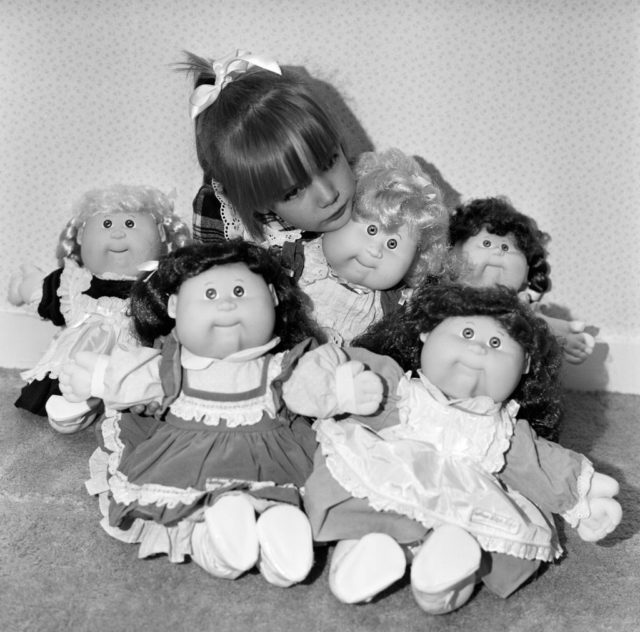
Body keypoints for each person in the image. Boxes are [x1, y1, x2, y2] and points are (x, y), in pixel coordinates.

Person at [282, 283, 621, 613]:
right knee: (362, 495)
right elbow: (339, 367)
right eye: (467, 333)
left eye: (496, 342)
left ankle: (448, 573)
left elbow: (541, 464)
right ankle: (369, 554)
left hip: (470, 501)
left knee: (500, 540)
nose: (479, 350)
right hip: (393, 474)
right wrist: (340, 387)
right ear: (427, 332)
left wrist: (585, 498)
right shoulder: (399, 390)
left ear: (526, 365)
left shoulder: (503, 433)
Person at [57, 240, 375, 586]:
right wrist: (98, 376)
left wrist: (342, 390)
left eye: (240, 291)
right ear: (175, 306)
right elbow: (135, 379)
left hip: (272, 457)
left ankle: (281, 542)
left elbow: (306, 392)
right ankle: (220, 542)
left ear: (272, 297)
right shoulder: (172, 365)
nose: (226, 302)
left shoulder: (280, 367)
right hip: (188, 461)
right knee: (195, 516)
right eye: (209, 294)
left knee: (285, 497)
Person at [8, 184, 190, 433]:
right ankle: (72, 406)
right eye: (106, 225)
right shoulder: (75, 282)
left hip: (127, 363)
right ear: (82, 236)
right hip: (75, 359)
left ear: (160, 233)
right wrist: (27, 287)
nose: (117, 234)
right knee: (66, 379)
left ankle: (112, 405)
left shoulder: (156, 284)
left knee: (137, 387)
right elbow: (48, 297)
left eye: (129, 224)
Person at [180, 49, 356, 252]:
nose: (328, 195)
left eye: (329, 162)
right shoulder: (235, 232)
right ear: (257, 202)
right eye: (293, 191)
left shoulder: (377, 196)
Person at [297, 147, 451, 344]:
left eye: (392, 243)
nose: (375, 250)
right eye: (371, 230)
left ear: (415, 260)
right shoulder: (297, 260)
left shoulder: (396, 311)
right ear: (340, 213)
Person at [449, 196, 595, 364]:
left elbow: (530, 320)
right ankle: (558, 332)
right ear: (451, 252)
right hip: (452, 367)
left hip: (501, 373)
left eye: (506, 247)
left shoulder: (518, 304)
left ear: (526, 269)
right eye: (487, 243)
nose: (498, 251)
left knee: (528, 320)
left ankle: (558, 334)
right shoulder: (446, 294)